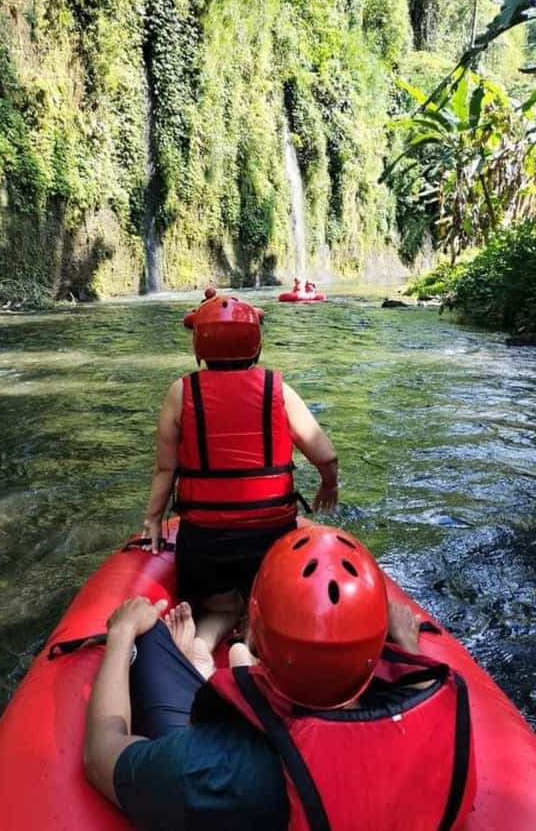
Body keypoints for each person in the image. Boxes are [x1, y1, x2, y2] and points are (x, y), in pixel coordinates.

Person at [84, 525, 476, 831]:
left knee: (150, 637)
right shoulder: (441, 705)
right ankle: (202, 650)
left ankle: (199, 653)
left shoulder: (212, 769)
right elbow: (420, 688)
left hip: (228, 768)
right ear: (378, 648)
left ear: (255, 638)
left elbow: (100, 754)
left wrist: (121, 635)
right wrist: (408, 646)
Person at [142, 289, 338, 603]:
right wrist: (329, 486)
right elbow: (326, 456)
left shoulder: (180, 392)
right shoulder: (279, 390)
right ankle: (252, 632)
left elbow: (166, 468)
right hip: (272, 541)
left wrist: (153, 519)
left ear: (200, 346)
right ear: (255, 343)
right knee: (268, 604)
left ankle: (208, 633)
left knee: (213, 610)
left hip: (205, 544)